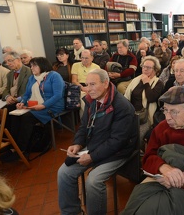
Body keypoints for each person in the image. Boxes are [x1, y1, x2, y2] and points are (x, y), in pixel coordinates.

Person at [122, 86, 184, 215]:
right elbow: (147, 159)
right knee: (135, 205)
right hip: (162, 177)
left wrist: (181, 181)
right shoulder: (161, 128)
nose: (167, 117)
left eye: (174, 112)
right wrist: (164, 168)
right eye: (165, 110)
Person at [58, 69, 136, 215]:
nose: (88, 89)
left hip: (118, 151)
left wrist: (92, 157)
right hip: (95, 146)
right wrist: (78, 143)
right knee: (63, 173)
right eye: (87, 85)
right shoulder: (91, 100)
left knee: (93, 181)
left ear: (106, 83)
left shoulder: (122, 106)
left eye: (93, 84)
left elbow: (117, 141)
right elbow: (83, 126)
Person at [2, 57, 65, 161]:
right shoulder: (32, 78)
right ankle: (14, 147)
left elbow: (57, 95)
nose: (31, 68)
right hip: (36, 104)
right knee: (14, 116)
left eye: (34, 65)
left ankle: (22, 150)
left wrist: (43, 105)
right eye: (31, 66)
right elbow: (26, 94)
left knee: (27, 117)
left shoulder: (54, 75)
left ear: (42, 65)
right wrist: (22, 103)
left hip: (52, 106)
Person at [125, 56, 164, 145]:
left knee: (137, 138)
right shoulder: (136, 79)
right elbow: (127, 97)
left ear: (155, 70)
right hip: (131, 113)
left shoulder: (158, 83)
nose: (145, 69)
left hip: (145, 117)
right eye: (144, 67)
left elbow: (151, 98)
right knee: (121, 133)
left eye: (149, 67)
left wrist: (146, 83)